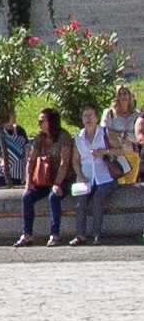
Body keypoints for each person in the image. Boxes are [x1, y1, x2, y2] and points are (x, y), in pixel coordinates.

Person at [16, 109, 76, 247]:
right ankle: (27, 235)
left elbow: (64, 163)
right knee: (27, 197)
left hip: (64, 179)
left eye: (42, 121)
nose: (39, 123)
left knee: (53, 197)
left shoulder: (63, 137)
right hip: (44, 178)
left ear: (51, 122)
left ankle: (54, 234)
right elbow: (31, 160)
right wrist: (28, 182)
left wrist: (57, 184)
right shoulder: (40, 138)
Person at [71, 104, 116, 247]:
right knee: (80, 202)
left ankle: (97, 235)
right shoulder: (78, 137)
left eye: (91, 116)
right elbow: (75, 160)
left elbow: (122, 150)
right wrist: (80, 175)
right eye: (85, 116)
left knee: (98, 199)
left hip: (106, 177)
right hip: (87, 178)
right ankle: (80, 235)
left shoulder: (105, 133)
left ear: (97, 118)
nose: (88, 119)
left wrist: (105, 152)